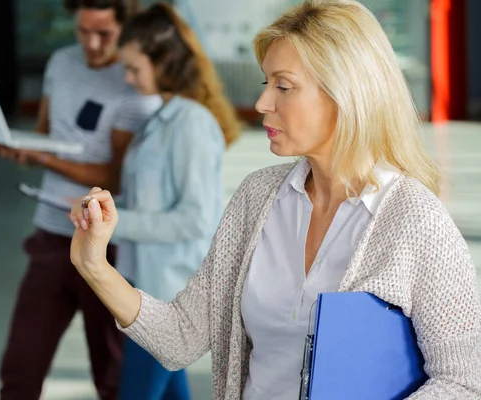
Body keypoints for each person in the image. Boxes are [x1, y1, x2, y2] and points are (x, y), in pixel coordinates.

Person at [69, 0, 481, 399]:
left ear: (347, 94)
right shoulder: (257, 197)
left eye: (284, 86)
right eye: (268, 84)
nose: (263, 103)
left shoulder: (416, 220)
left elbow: (464, 381)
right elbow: (180, 338)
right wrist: (94, 265)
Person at [0, 0, 161, 398]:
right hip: (51, 232)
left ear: (125, 28)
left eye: (104, 33)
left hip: (106, 244)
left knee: (112, 376)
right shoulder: (61, 62)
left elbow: (113, 175)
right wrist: (18, 146)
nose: (92, 43)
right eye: (83, 31)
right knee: (20, 369)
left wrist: (43, 157)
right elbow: (45, 130)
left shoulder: (135, 82)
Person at [101, 3, 241, 399]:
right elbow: (152, 197)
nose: (128, 79)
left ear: (162, 61)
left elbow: (194, 219)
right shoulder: (163, 118)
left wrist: (117, 221)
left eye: (134, 69)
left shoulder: (191, 124)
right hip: (147, 283)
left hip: (168, 298)